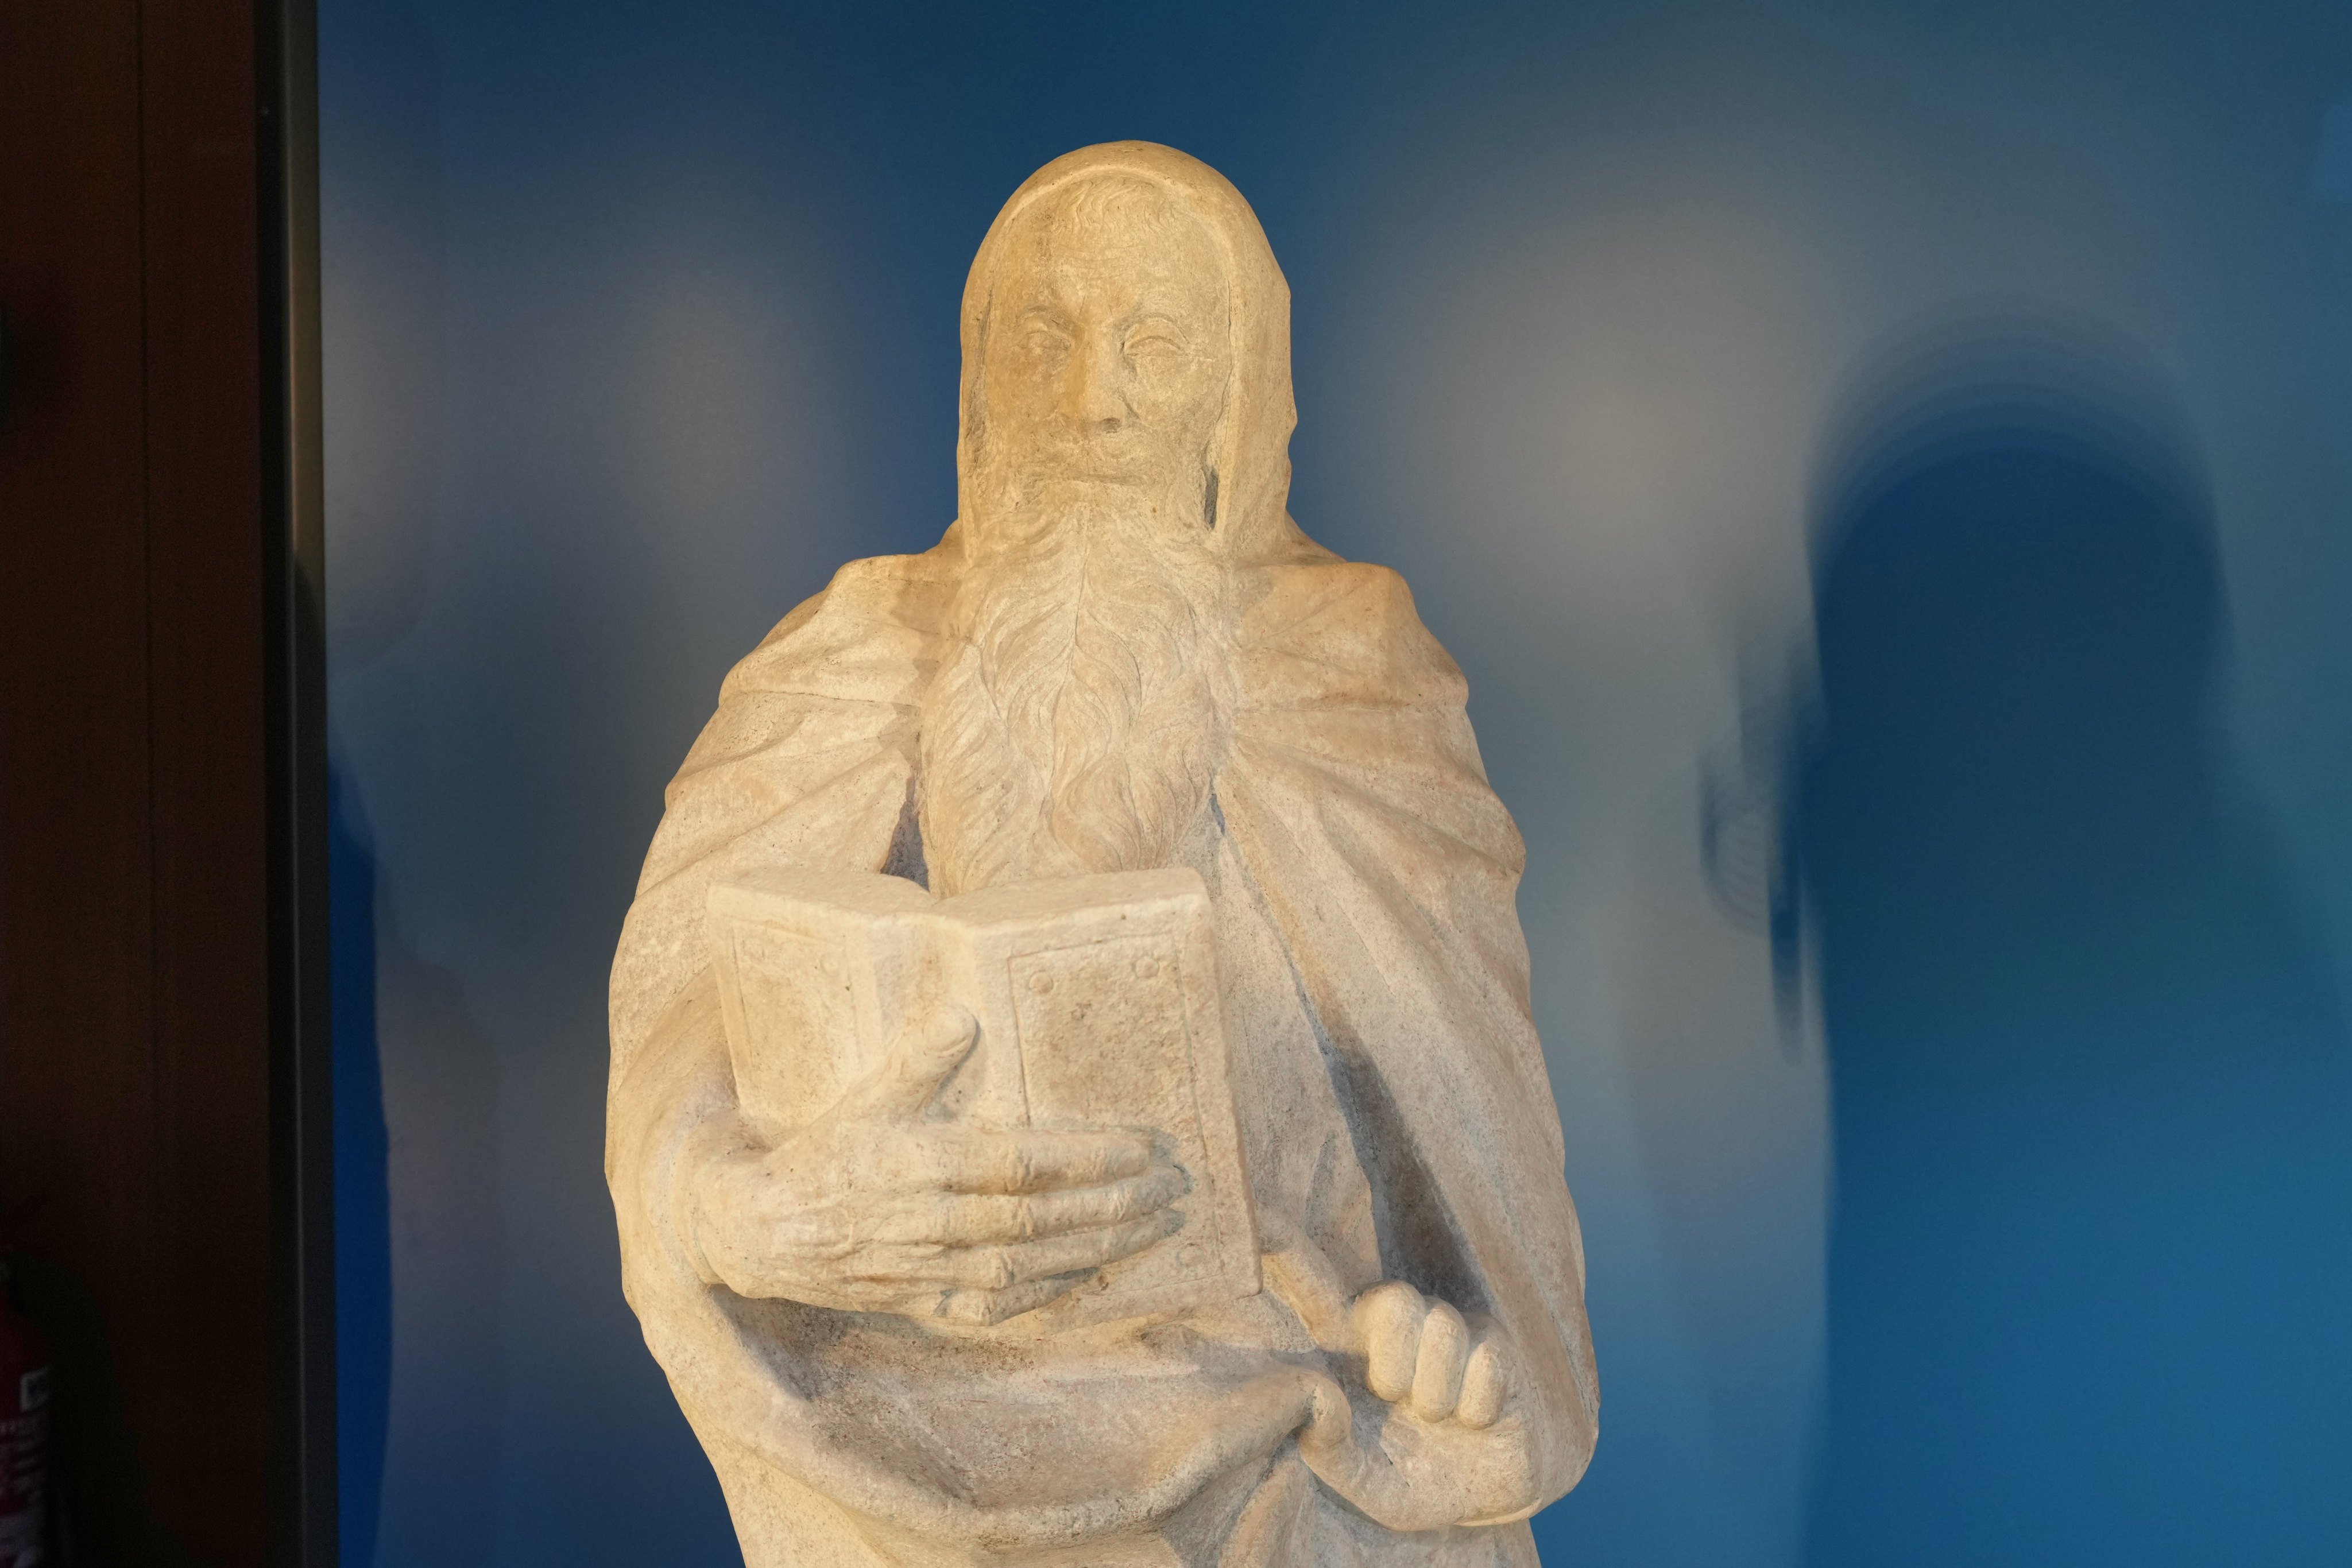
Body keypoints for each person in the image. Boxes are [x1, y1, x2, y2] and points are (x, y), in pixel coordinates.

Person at [606, 142, 1597, 1567]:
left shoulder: (1349, 672)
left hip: (1282, 1427)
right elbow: (671, 1039)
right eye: (1044, 337)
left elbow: (1457, 1154)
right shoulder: (846, 656)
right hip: (899, 1439)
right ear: (977, 375)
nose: (1093, 400)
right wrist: (730, 1207)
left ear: (1234, 394)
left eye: (1151, 343)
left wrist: (1429, 1340)